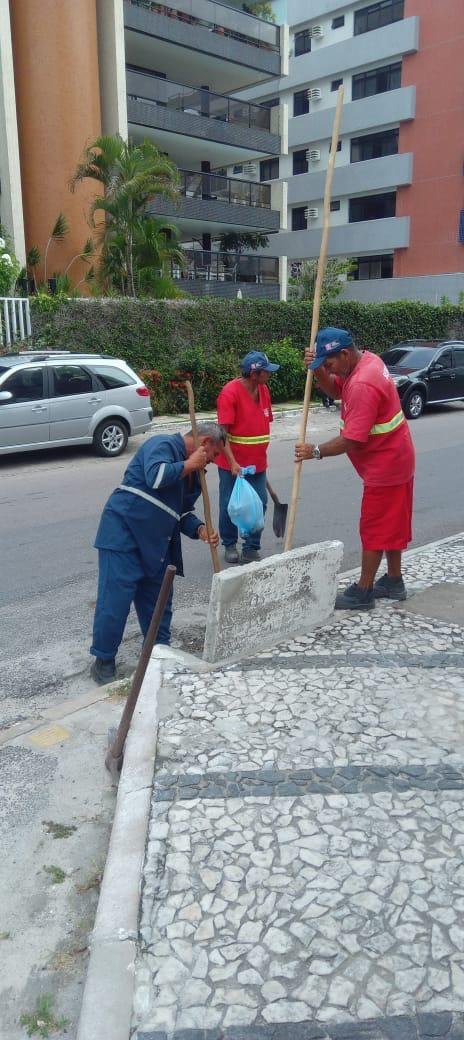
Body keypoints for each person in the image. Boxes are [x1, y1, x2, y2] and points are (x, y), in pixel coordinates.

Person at [90, 422, 223, 683]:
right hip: (123, 533)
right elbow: (156, 476)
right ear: (205, 443)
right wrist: (189, 465)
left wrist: (199, 529)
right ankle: (104, 660)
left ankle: (157, 654)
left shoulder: (196, 474)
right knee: (114, 602)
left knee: (159, 603)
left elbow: (182, 512)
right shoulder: (161, 445)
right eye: (215, 455)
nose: (214, 462)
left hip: (158, 543)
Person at [295, 327, 415, 610]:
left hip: (386, 466)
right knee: (391, 523)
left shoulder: (363, 384)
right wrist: (319, 370)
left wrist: (315, 451)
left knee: (374, 528)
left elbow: (352, 439)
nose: (328, 369)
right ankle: (394, 580)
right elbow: (337, 388)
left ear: (345, 354)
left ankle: (364, 591)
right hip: (396, 458)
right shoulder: (367, 360)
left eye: (330, 364)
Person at [216, 350, 280, 564]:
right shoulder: (229, 393)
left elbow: (261, 424)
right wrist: (233, 462)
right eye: (266, 372)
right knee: (231, 504)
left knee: (259, 503)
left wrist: (259, 456)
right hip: (231, 463)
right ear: (254, 374)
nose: (269, 375)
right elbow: (221, 433)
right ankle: (229, 544)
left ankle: (251, 546)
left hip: (257, 463)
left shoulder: (263, 389)